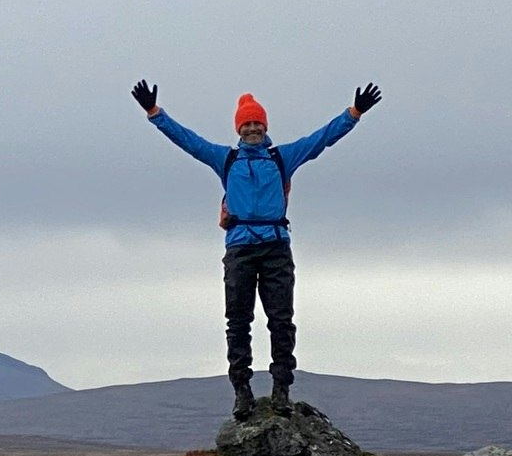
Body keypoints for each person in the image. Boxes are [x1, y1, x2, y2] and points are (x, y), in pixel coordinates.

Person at [130, 80, 381, 419]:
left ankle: (281, 391)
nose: (252, 128)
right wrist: (154, 113)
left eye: (256, 123)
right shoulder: (226, 159)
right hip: (240, 249)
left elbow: (320, 140)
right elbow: (188, 141)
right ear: (239, 128)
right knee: (238, 321)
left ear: (265, 127)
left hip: (276, 246)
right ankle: (242, 392)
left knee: (281, 320)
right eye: (246, 124)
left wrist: (353, 114)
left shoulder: (282, 158)